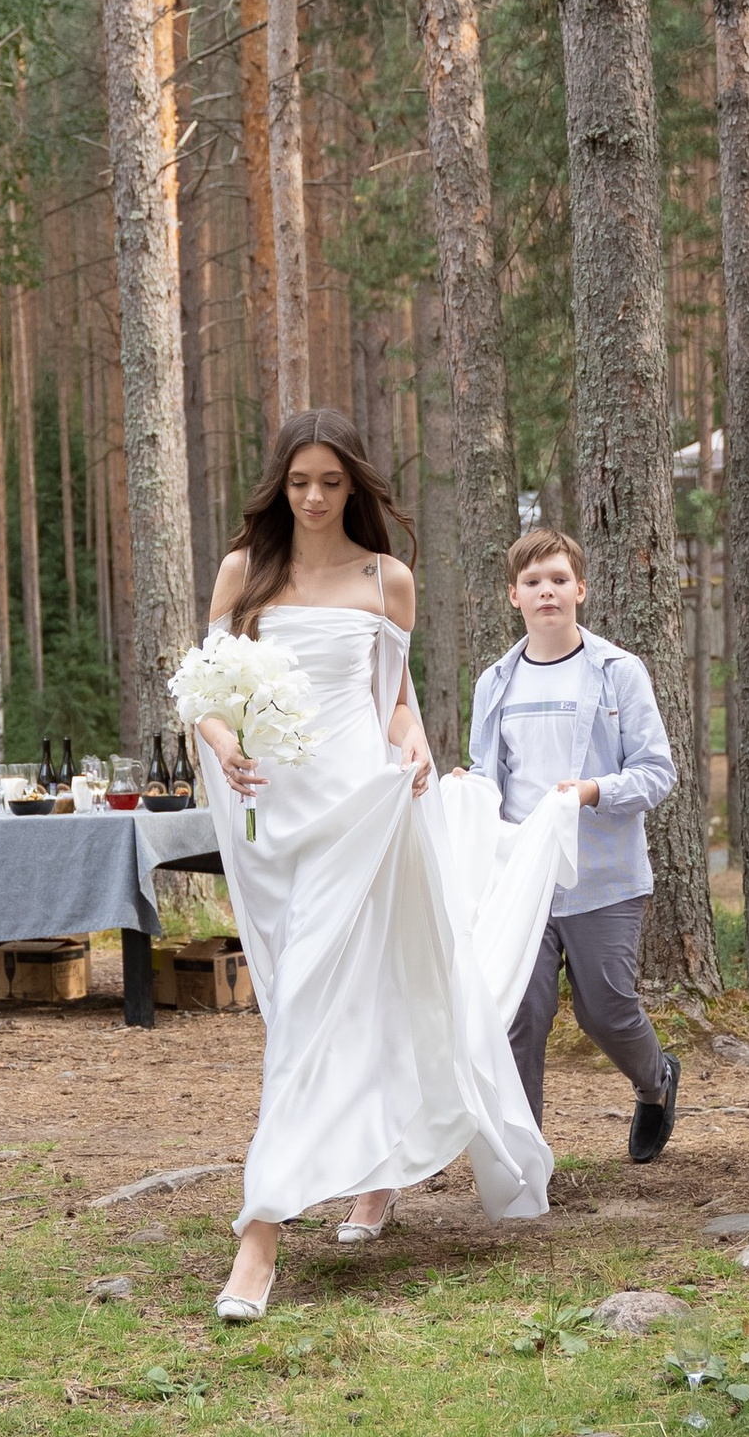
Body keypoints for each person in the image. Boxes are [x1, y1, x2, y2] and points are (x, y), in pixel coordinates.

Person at [193, 411, 571, 1324]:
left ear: (354, 486)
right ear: (280, 487)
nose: (314, 498)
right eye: (299, 483)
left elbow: (393, 702)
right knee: (318, 1002)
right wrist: (223, 743)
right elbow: (206, 693)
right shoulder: (245, 572)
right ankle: (377, 1172)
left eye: (331, 482)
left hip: (362, 810)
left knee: (314, 1005)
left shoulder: (385, 579)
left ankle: (259, 1235)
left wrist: (415, 745)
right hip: (276, 814)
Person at [462, 524, 677, 1156]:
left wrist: (592, 791)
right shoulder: (495, 683)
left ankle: (656, 1083)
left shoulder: (618, 672)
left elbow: (657, 771)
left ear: (580, 589)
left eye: (559, 579)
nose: (547, 591)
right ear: (514, 595)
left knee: (604, 1010)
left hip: (602, 875)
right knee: (520, 1016)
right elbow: (488, 775)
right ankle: (523, 1159)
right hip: (520, 879)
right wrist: (468, 789)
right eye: (533, 581)